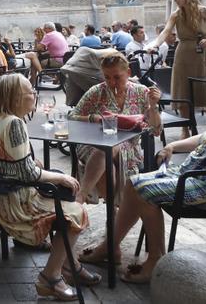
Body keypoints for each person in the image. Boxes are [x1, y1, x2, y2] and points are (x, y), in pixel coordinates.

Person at [81, 64, 206, 282]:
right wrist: (174, 146)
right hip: (192, 176)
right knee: (134, 182)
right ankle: (110, 247)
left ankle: (155, 259)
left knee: (143, 190)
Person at [0, 74, 94, 299]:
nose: (34, 94)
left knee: (63, 197)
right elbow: (27, 174)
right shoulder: (14, 123)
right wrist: (59, 178)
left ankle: (70, 265)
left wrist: (30, 163)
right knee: (77, 211)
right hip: (14, 204)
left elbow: (14, 163)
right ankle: (51, 277)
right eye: (30, 91)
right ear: (16, 97)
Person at [69, 51, 162, 203]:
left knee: (109, 158)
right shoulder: (97, 92)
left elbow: (156, 130)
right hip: (93, 143)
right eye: (107, 77)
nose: (111, 82)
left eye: (117, 77)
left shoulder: (141, 92)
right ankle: (112, 216)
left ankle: (84, 198)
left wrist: (153, 106)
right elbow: (71, 117)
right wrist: (93, 118)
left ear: (128, 72)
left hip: (128, 147)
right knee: (106, 149)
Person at [148, 0, 206, 125]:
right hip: (183, 54)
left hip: (204, 54)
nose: (175, 0)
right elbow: (166, 31)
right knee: (183, 90)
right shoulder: (176, 14)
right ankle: (185, 128)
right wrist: (155, 45)